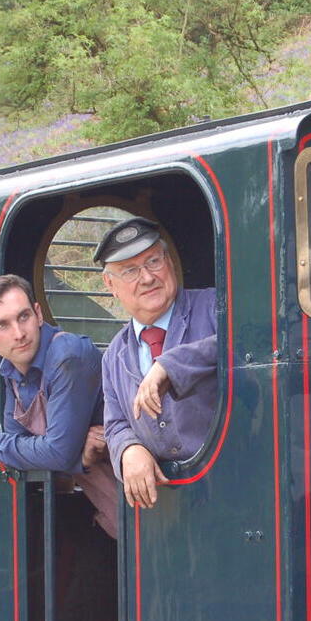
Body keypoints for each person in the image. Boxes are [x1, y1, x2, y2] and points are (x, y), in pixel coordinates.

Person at [0, 274, 117, 538]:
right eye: (2, 325)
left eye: (23, 317)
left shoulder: (68, 357)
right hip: (107, 500)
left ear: (38, 314)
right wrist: (82, 458)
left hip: (148, 496)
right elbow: (20, 452)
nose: (19, 334)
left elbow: (56, 452)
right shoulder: (11, 369)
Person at [95, 218, 217, 510]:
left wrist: (169, 366)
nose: (147, 278)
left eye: (153, 261)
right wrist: (129, 449)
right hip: (166, 512)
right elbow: (115, 425)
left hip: (234, 490)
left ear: (170, 262)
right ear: (110, 285)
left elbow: (243, 342)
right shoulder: (113, 356)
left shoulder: (216, 306)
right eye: (130, 271)